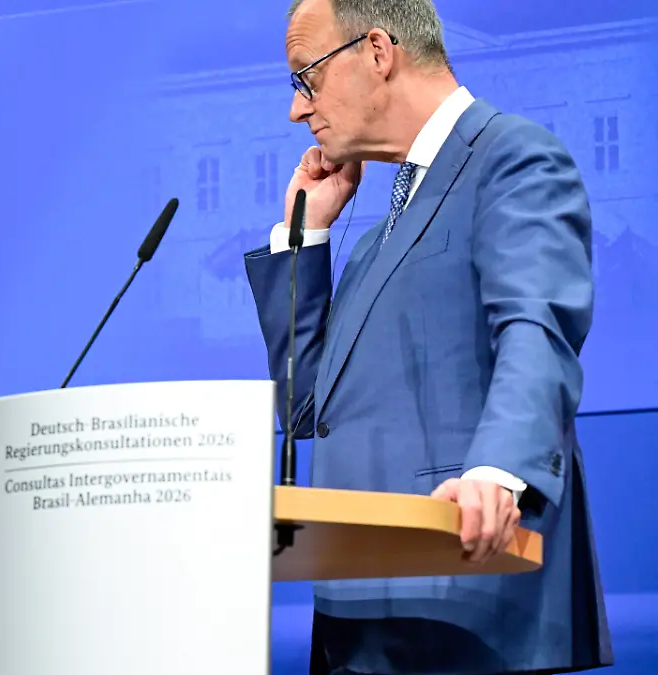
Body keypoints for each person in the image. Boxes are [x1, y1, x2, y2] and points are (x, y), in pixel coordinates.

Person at [243, 0, 612, 673]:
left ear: (378, 52)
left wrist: (497, 475)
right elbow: (305, 412)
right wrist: (306, 235)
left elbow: (536, 328)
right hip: (354, 617)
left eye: (306, 78)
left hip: (464, 593)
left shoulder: (513, 156)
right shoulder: (372, 240)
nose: (298, 111)